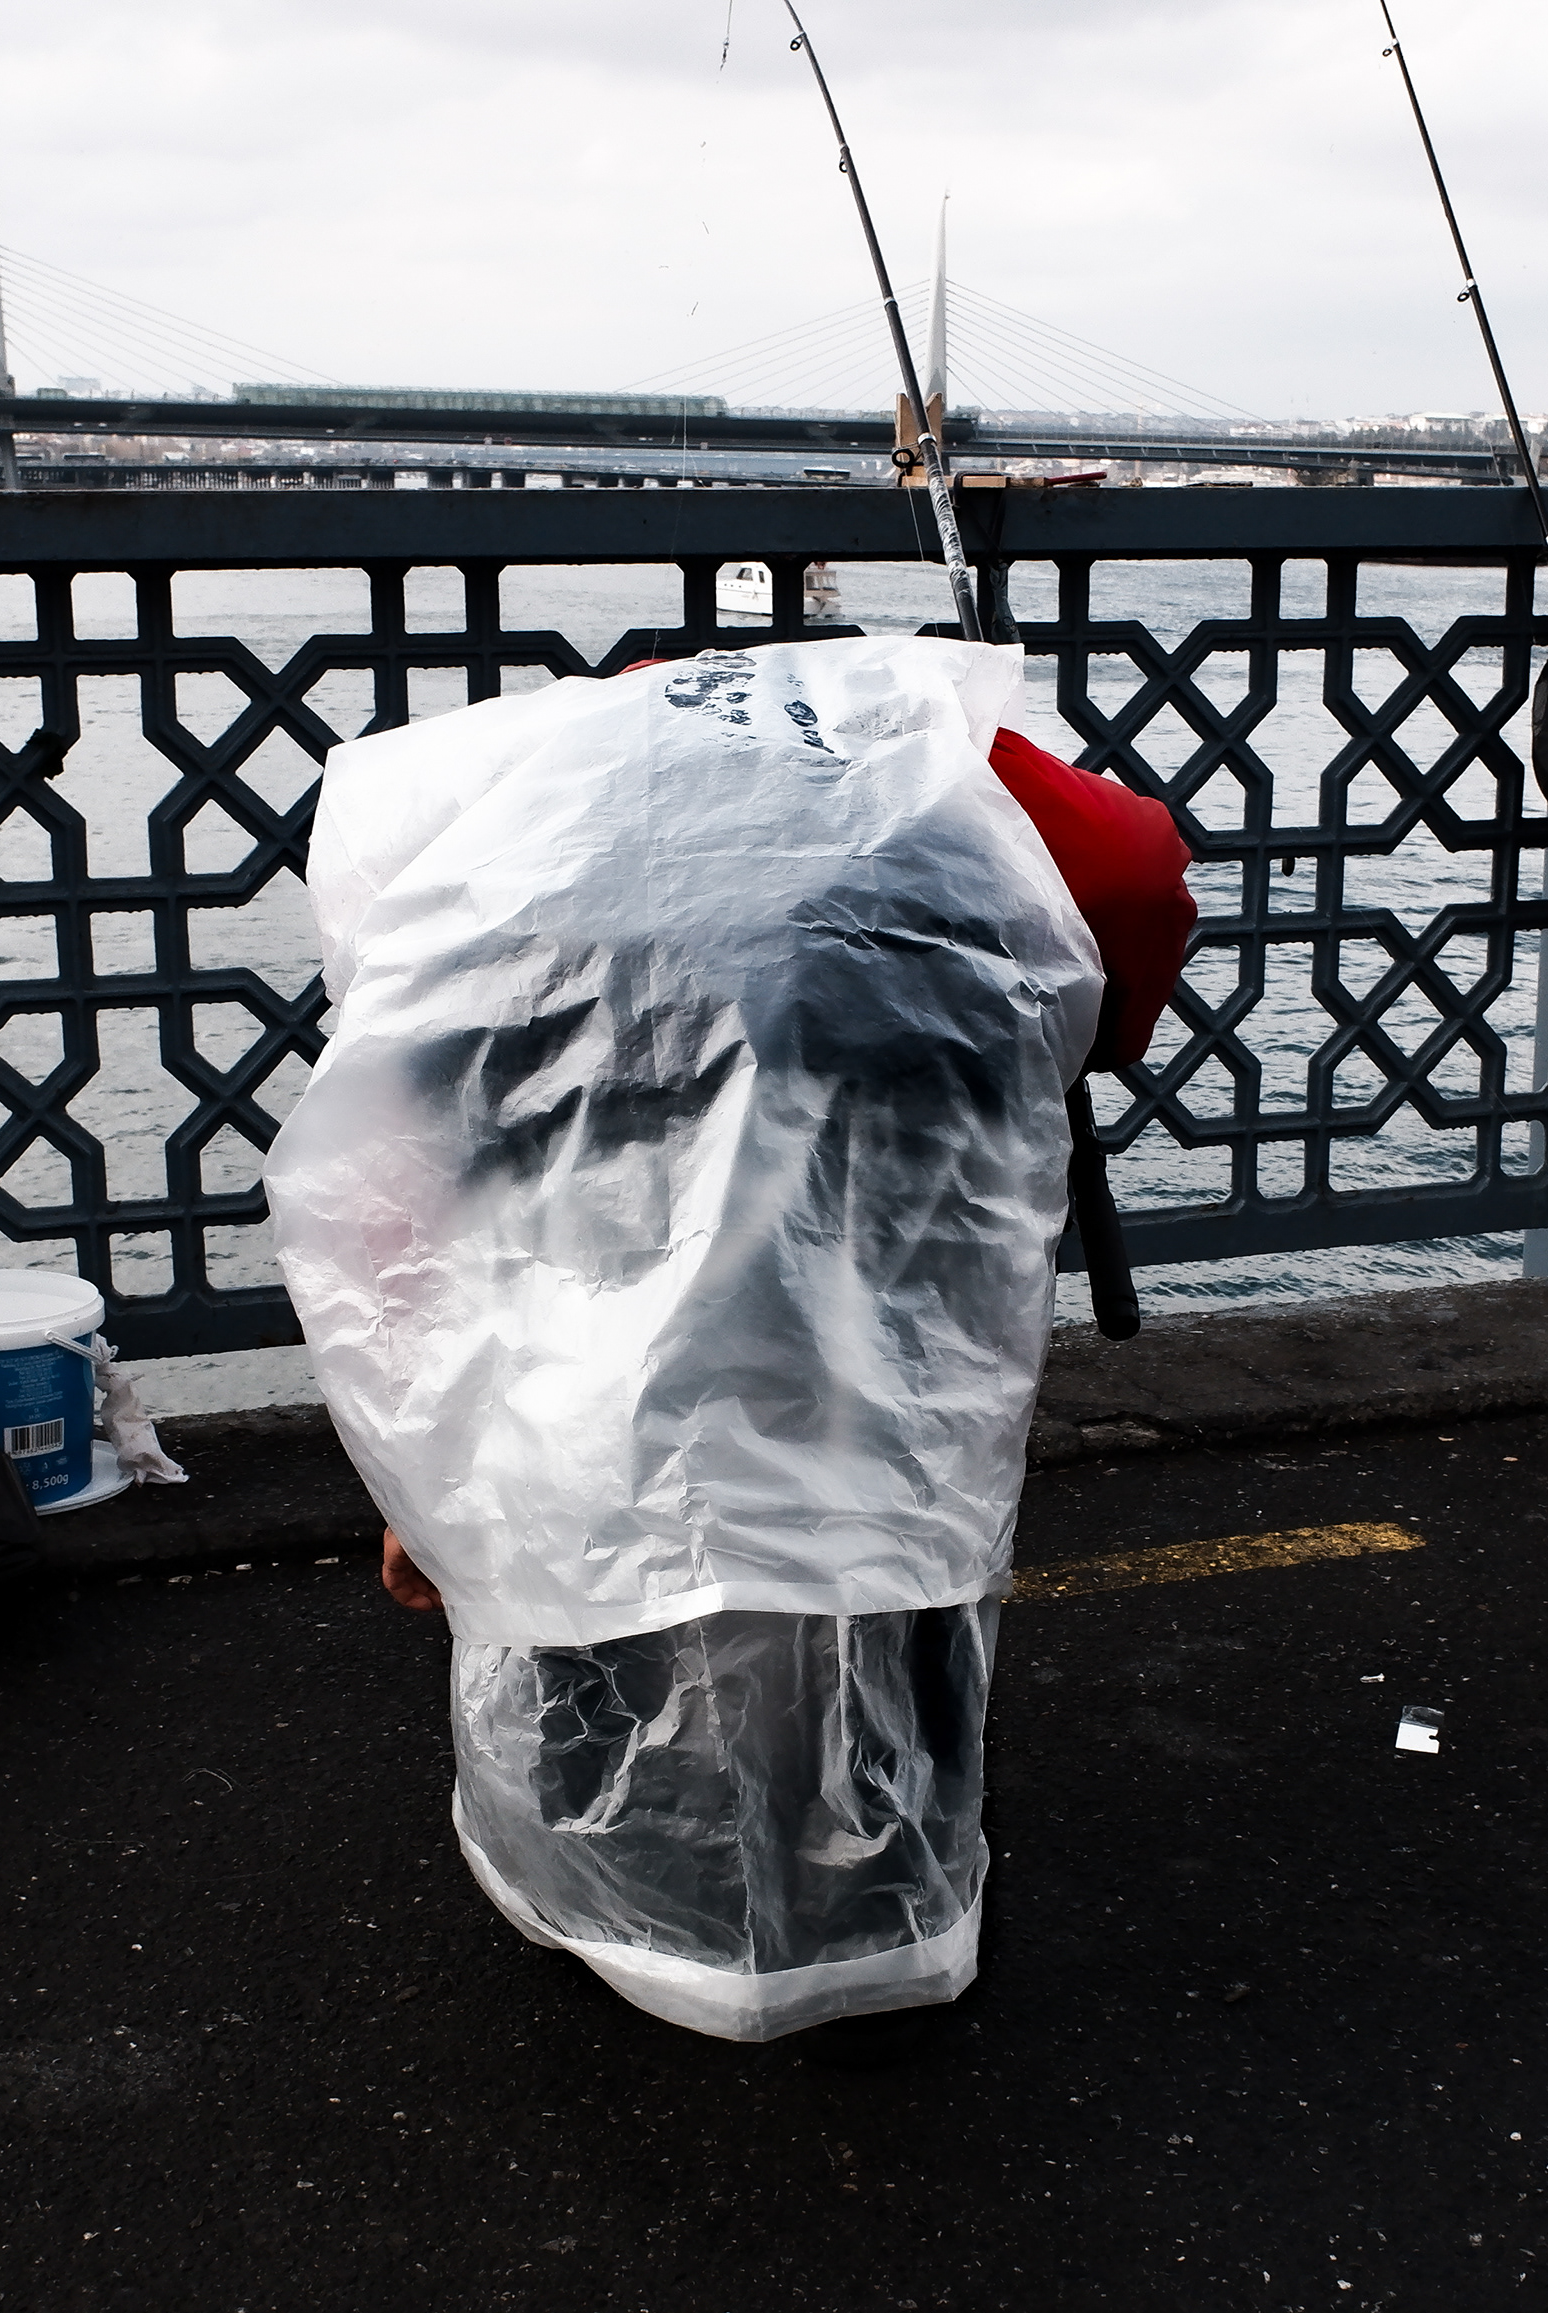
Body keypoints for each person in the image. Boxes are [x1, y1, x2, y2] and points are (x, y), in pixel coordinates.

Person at [266, 636, 1190, 2046]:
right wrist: (1082, 1024)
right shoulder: (937, 761)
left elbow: (392, 1120)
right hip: (879, 1261)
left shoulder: (513, 786)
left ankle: (615, 1883)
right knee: (873, 1520)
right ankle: (870, 1895)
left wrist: (422, 1490)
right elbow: (1132, 884)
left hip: (570, 1266)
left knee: (616, 1518)